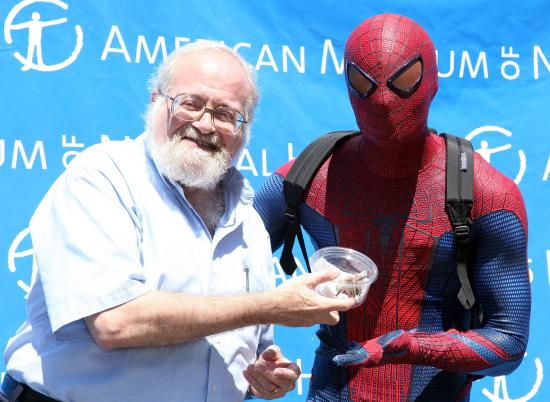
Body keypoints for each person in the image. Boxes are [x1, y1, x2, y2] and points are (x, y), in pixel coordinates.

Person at [1, 41, 357, 402]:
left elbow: (239, 342)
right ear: (157, 100)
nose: (204, 124)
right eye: (190, 104)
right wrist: (270, 305)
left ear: (244, 128)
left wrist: (262, 374)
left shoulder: (249, 222)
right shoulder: (102, 178)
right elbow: (115, 322)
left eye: (224, 113)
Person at [253, 13, 531, 401]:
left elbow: (509, 343)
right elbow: (216, 273)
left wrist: (412, 345)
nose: (383, 100)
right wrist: (256, 348)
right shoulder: (311, 176)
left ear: (431, 80)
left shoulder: (485, 194)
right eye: (363, 84)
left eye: (403, 81)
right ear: (347, 84)